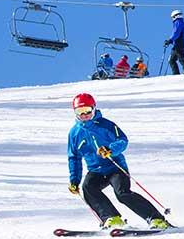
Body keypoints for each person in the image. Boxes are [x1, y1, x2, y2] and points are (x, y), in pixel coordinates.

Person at [67, 93, 171, 229]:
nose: (84, 114)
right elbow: (74, 157)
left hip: (115, 167)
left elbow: (122, 140)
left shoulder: (106, 125)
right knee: (88, 188)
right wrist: (74, 180)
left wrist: (110, 150)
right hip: (96, 170)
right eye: (80, 111)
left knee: (122, 193)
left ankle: (157, 219)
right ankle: (112, 218)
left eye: (87, 110)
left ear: (94, 109)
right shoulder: (74, 133)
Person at [164, 9, 184, 75]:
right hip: (178, 44)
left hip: (180, 44)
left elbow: (176, 33)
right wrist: (171, 41)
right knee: (172, 60)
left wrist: (170, 40)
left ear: (175, 16)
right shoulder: (181, 23)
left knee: (181, 57)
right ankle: (176, 73)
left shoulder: (178, 22)